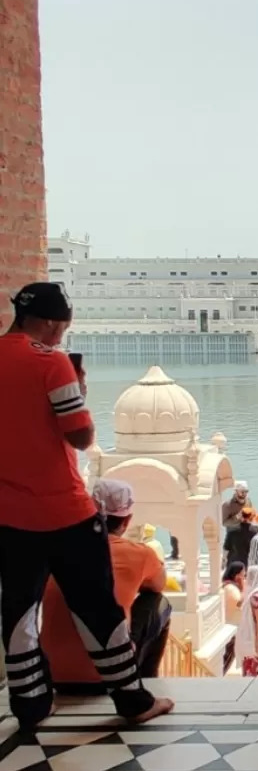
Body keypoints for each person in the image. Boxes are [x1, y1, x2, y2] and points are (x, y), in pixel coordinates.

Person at [0, 283, 173, 730]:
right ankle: (132, 699)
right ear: (55, 322)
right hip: (65, 513)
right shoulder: (51, 362)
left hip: (8, 515)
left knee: (19, 611)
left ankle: (30, 706)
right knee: (97, 607)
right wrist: (76, 391)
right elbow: (80, 436)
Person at [42, 479, 172, 691]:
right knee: (159, 603)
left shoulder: (58, 550)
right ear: (127, 520)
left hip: (52, 675)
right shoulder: (140, 554)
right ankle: (146, 682)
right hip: (111, 675)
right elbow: (158, 586)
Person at [222, 560, 245, 672]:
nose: (244, 577)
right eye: (242, 575)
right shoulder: (231, 588)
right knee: (226, 658)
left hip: (233, 627)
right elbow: (240, 603)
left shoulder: (231, 586)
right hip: (230, 628)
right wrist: (243, 587)